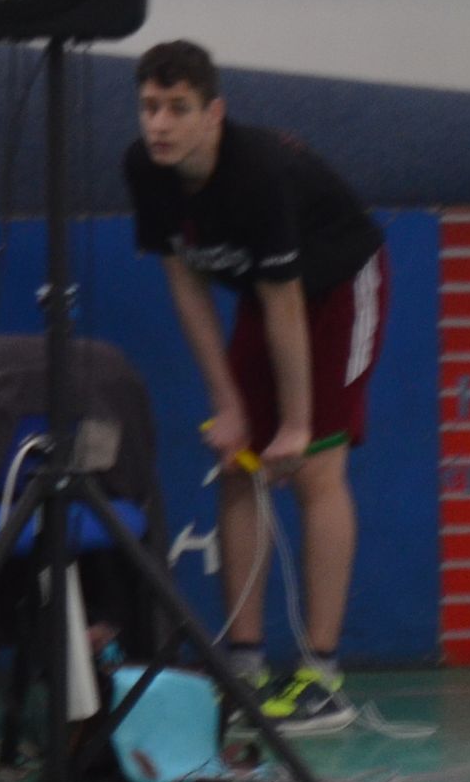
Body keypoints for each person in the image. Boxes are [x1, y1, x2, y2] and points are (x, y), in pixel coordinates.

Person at [129, 40, 387, 735]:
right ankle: (243, 667)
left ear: (213, 113)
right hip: (264, 293)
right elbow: (186, 284)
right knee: (237, 465)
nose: (159, 124)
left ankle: (321, 678)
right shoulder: (145, 169)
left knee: (316, 469)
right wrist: (229, 405)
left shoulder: (257, 174)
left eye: (177, 108)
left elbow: (285, 302)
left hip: (337, 288)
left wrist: (295, 426)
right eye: (149, 107)